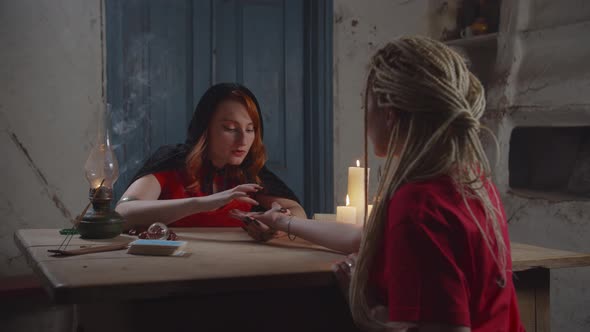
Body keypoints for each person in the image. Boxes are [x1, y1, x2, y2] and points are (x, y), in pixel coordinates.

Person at [232, 37, 525, 331]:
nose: (365, 113)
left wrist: (366, 313)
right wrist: (283, 223)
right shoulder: (468, 179)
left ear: (389, 114)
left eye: (365, 103)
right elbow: (362, 238)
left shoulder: (419, 207)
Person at [115, 83, 305, 231]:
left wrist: (276, 225)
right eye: (230, 128)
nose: (243, 140)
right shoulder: (172, 161)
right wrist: (203, 203)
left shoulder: (249, 172)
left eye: (250, 129)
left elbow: (298, 212)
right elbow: (122, 213)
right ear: (205, 130)